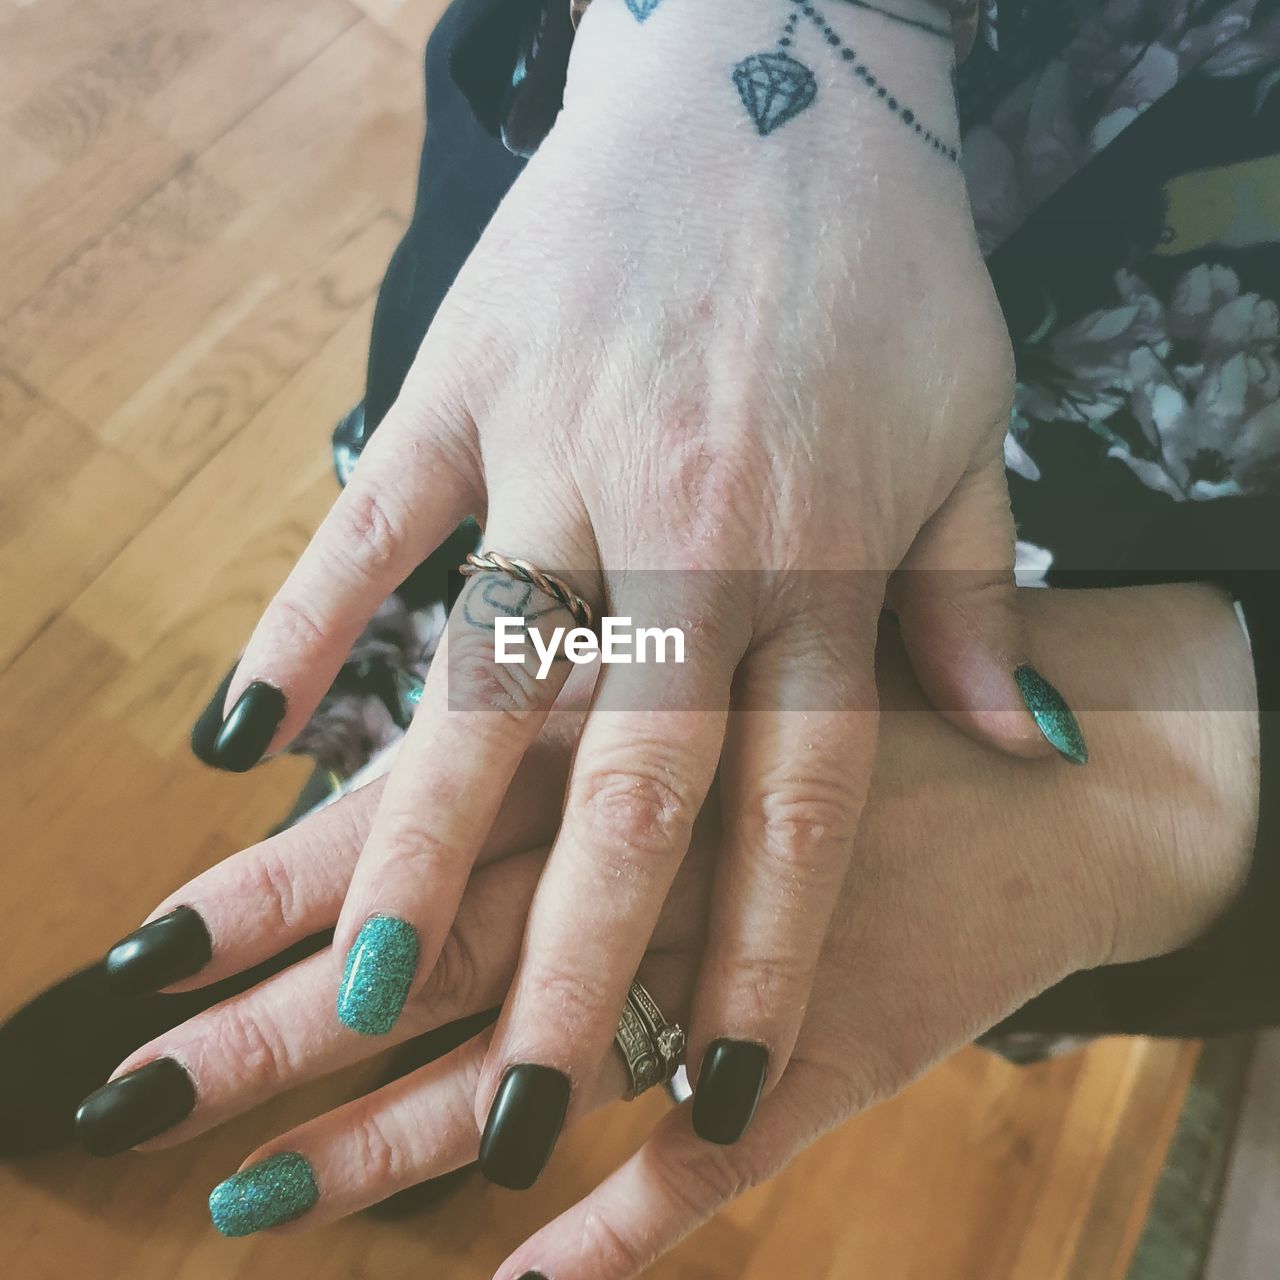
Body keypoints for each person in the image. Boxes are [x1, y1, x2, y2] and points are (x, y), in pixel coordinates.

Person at [2, 0, 1277, 1273]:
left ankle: (441, 1029)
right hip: (654, 151)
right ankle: (309, 923)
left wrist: (1190, 754)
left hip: (1151, 490)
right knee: (467, 694)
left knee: (676, 873)